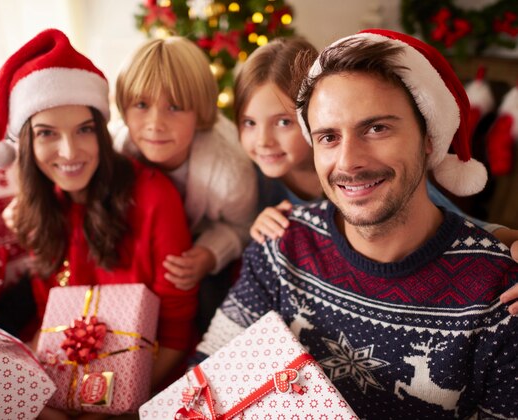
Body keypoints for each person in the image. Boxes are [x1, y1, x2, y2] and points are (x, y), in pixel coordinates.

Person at [196, 29, 518, 418]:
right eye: (329, 137)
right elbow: (206, 382)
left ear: (430, 135)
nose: (349, 162)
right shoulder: (280, 243)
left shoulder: (503, 298)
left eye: (376, 128)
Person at [0, 29, 197, 417]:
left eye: (84, 130)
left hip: (152, 382)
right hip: (70, 379)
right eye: (47, 133)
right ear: (27, 144)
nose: (69, 152)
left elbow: (178, 332)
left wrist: (117, 410)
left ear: (101, 130)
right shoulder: (36, 210)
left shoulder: (154, 196)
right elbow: (51, 325)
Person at [234, 35, 518, 314]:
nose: (263, 141)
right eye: (248, 122)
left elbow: (462, 226)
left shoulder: (386, 181)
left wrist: (511, 239)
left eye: (283, 122)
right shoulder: (260, 175)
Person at [110, 36, 257, 332]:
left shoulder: (229, 170)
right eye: (141, 104)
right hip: (148, 242)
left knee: (210, 303)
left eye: (174, 107)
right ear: (124, 109)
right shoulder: (119, 150)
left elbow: (243, 227)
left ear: (202, 112)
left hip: (203, 235)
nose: (155, 123)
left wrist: (210, 254)